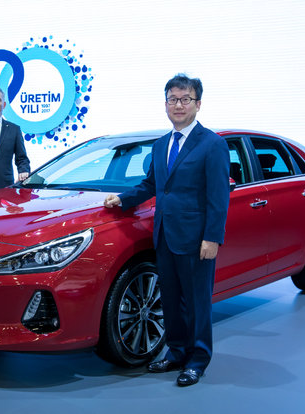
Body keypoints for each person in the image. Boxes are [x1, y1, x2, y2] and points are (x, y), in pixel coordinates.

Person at [104, 74, 230, 386]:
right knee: (171, 301)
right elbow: (152, 184)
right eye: (172, 99)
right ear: (165, 104)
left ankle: (197, 360)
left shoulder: (212, 144)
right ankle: (176, 352)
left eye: (185, 99)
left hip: (196, 239)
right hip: (164, 236)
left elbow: (218, 197)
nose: (178, 105)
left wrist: (212, 238)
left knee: (197, 303)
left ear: (198, 104)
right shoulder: (161, 145)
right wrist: (123, 198)